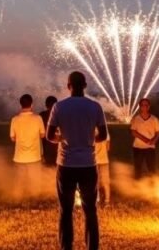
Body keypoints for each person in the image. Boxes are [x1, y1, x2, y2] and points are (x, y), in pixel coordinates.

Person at [47, 71, 108, 250]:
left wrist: (64, 139)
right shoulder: (95, 106)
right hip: (88, 163)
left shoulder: (59, 107)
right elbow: (103, 135)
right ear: (85, 85)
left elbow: (50, 135)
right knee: (91, 211)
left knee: (65, 210)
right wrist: (88, 139)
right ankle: (92, 246)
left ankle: (66, 247)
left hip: (66, 163)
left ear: (69, 86)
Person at [10, 93, 45, 200]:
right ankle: (35, 204)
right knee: (35, 182)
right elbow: (43, 134)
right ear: (32, 104)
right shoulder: (38, 118)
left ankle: (17, 203)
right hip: (34, 156)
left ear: (20, 105)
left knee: (18, 182)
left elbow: (12, 138)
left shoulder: (15, 119)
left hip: (19, 157)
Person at [129, 98, 159, 179]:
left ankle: (152, 185)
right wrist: (145, 139)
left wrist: (154, 141)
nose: (144, 107)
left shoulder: (154, 119)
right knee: (138, 168)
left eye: (146, 105)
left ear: (149, 106)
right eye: (142, 105)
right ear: (140, 107)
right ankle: (137, 185)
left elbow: (158, 132)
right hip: (138, 147)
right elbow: (133, 131)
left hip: (150, 148)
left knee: (151, 168)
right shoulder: (136, 119)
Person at [95, 127, 112, 207]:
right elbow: (108, 148)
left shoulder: (88, 130)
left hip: (92, 161)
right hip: (104, 160)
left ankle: (96, 200)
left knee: (95, 182)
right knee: (106, 181)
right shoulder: (105, 131)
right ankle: (107, 201)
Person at [40, 95, 59, 168]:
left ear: (46, 105)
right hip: (58, 149)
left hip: (46, 149)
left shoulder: (41, 116)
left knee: (46, 171)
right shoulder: (60, 115)